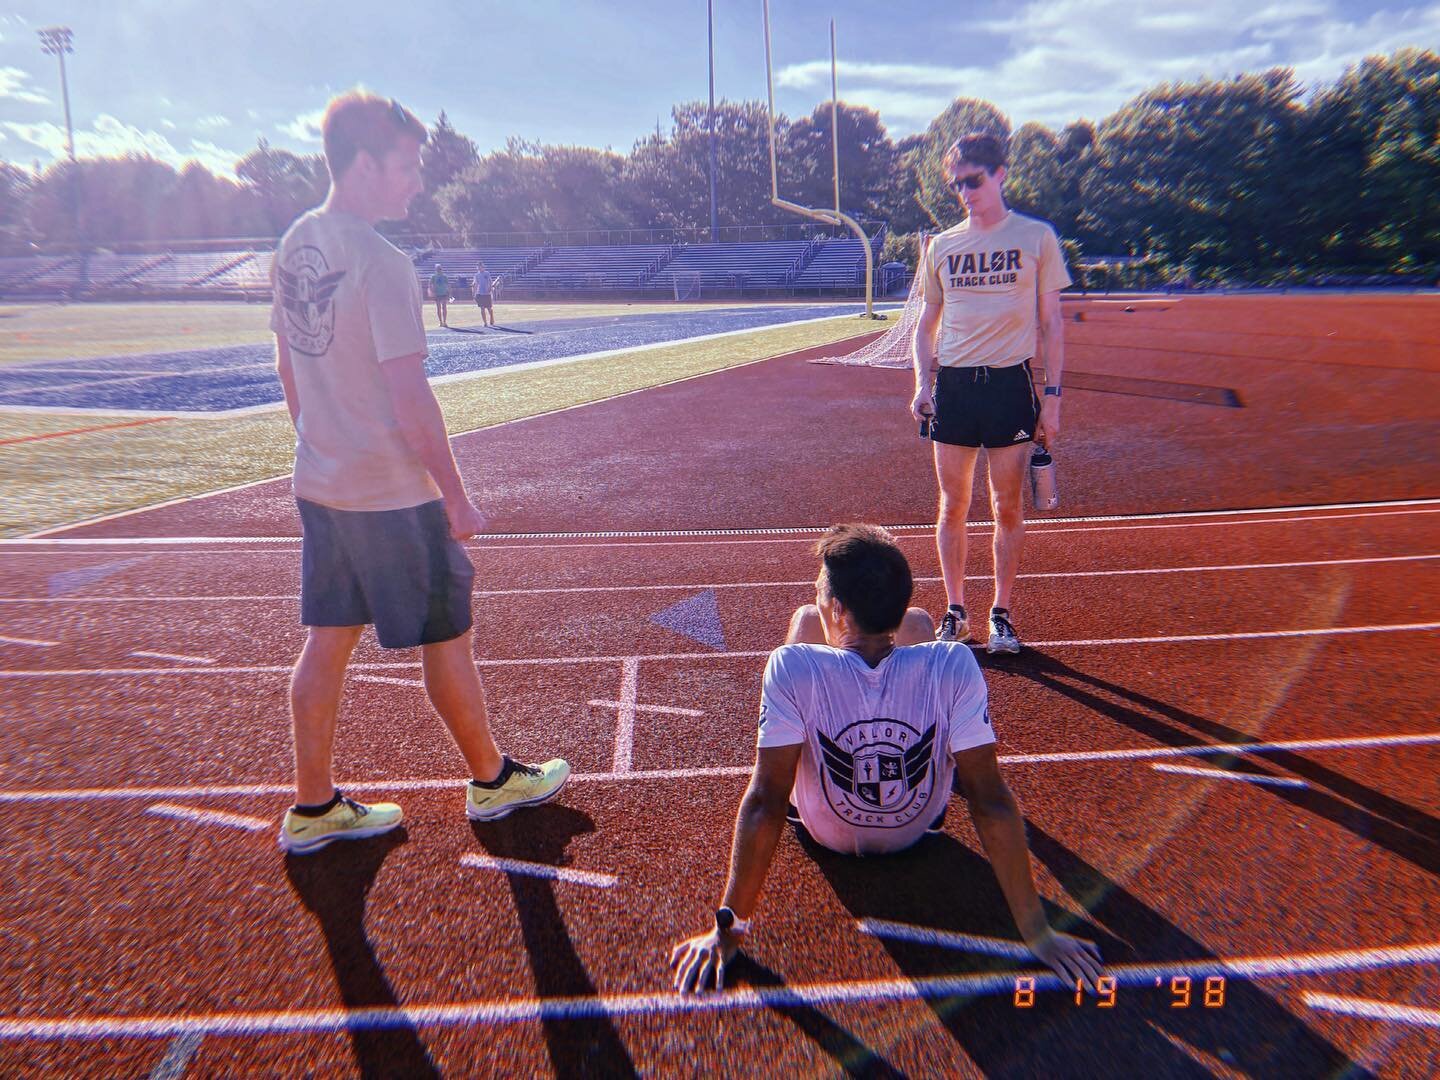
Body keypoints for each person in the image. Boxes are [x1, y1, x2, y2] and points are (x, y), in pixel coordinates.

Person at [270, 91, 569, 854]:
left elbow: (287, 364)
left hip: (324, 482)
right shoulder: (381, 261)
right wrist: (457, 496)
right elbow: (411, 399)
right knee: (448, 637)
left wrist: (319, 439)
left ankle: (312, 808)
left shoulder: (294, 243)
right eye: (405, 166)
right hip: (391, 493)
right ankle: (494, 780)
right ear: (365, 163)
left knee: (326, 641)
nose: (415, 183)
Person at [669, 524, 1103, 994]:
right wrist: (1037, 931)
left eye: (820, 589)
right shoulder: (955, 663)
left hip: (825, 831)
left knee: (801, 627)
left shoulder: (790, 664)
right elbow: (991, 800)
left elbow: (764, 801)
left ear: (837, 608)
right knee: (920, 622)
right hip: (919, 827)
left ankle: (817, 707)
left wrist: (728, 928)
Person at [910, 132, 1071, 654]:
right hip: (954, 386)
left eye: (974, 180)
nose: (965, 192)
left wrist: (1053, 396)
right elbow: (925, 324)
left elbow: (1052, 323)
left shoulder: (1036, 236)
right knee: (952, 504)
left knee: (1007, 506)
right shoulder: (942, 245)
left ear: (1001, 173)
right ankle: (956, 610)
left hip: (1009, 385)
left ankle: (1001, 613)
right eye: (957, 184)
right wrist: (921, 382)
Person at [473, 260, 496, 327]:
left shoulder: (487, 273)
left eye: (481, 266)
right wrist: (474, 293)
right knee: (482, 308)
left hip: (487, 293)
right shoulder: (476, 275)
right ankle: (485, 322)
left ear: (483, 267)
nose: (480, 268)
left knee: (489, 308)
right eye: (478, 266)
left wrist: (490, 288)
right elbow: (476, 284)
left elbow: (490, 281)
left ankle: (492, 318)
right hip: (480, 293)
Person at [429, 263, 450, 327]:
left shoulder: (444, 276)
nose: (439, 270)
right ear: (436, 269)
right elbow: (430, 284)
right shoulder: (433, 276)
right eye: (438, 269)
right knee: (438, 308)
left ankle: (444, 321)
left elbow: (448, 285)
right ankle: (440, 322)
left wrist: (449, 292)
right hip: (437, 293)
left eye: (440, 268)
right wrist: (432, 292)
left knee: (444, 307)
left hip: (443, 293)